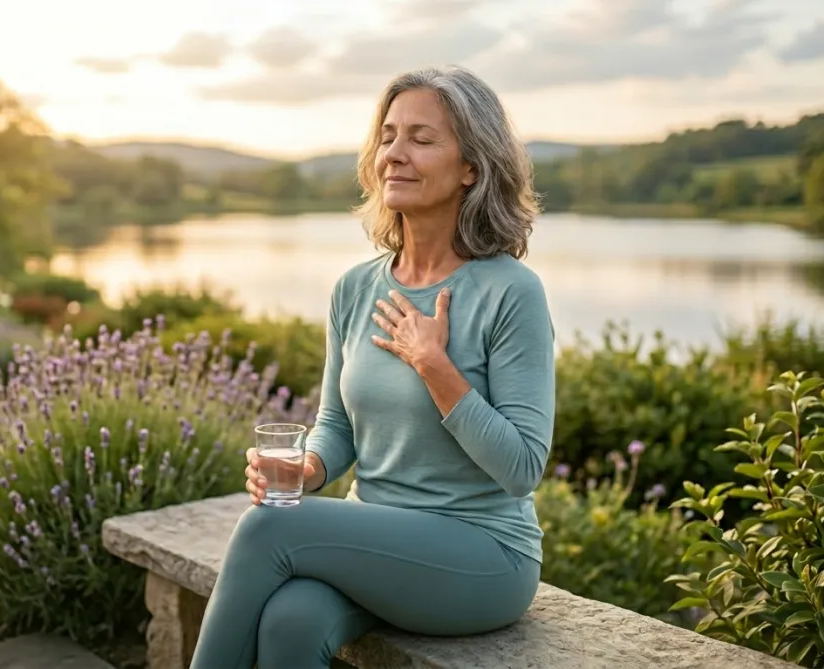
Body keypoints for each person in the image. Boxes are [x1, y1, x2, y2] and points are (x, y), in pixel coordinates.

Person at [189, 64, 556, 669]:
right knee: (291, 619)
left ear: (472, 167)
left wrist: (434, 365)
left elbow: (521, 469)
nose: (395, 154)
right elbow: (338, 426)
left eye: (422, 138)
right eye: (388, 136)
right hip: (380, 538)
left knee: (267, 529)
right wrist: (307, 470)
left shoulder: (511, 292)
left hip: (483, 555)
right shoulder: (355, 289)